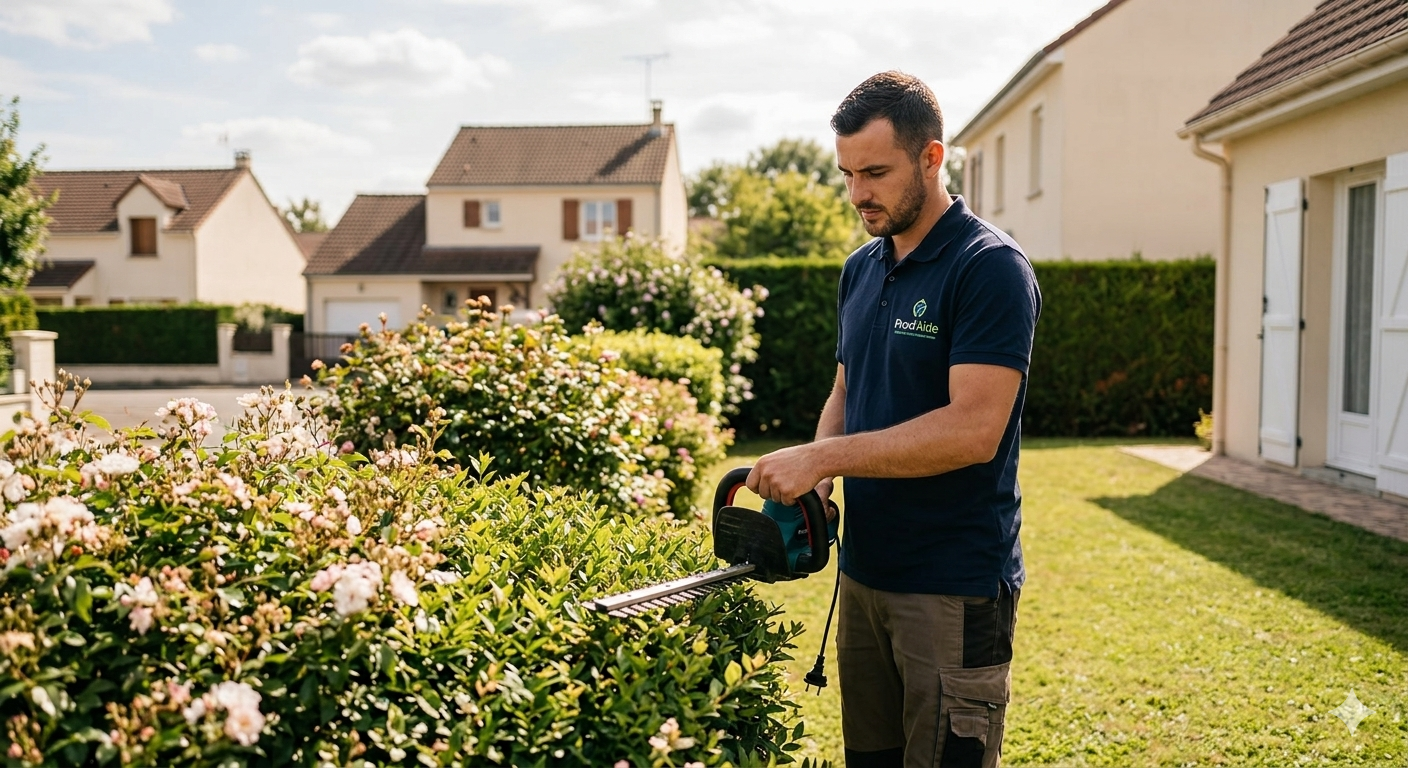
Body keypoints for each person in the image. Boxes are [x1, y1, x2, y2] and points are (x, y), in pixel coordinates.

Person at [746, 71, 1040, 768]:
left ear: (933, 158)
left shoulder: (988, 268)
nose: (858, 194)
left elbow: (974, 430)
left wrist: (824, 460)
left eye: (875, 172)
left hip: (951, 585)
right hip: (866, 576)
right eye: (847, 174)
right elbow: (845, 392)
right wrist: (818, 480)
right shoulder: (860, 268)